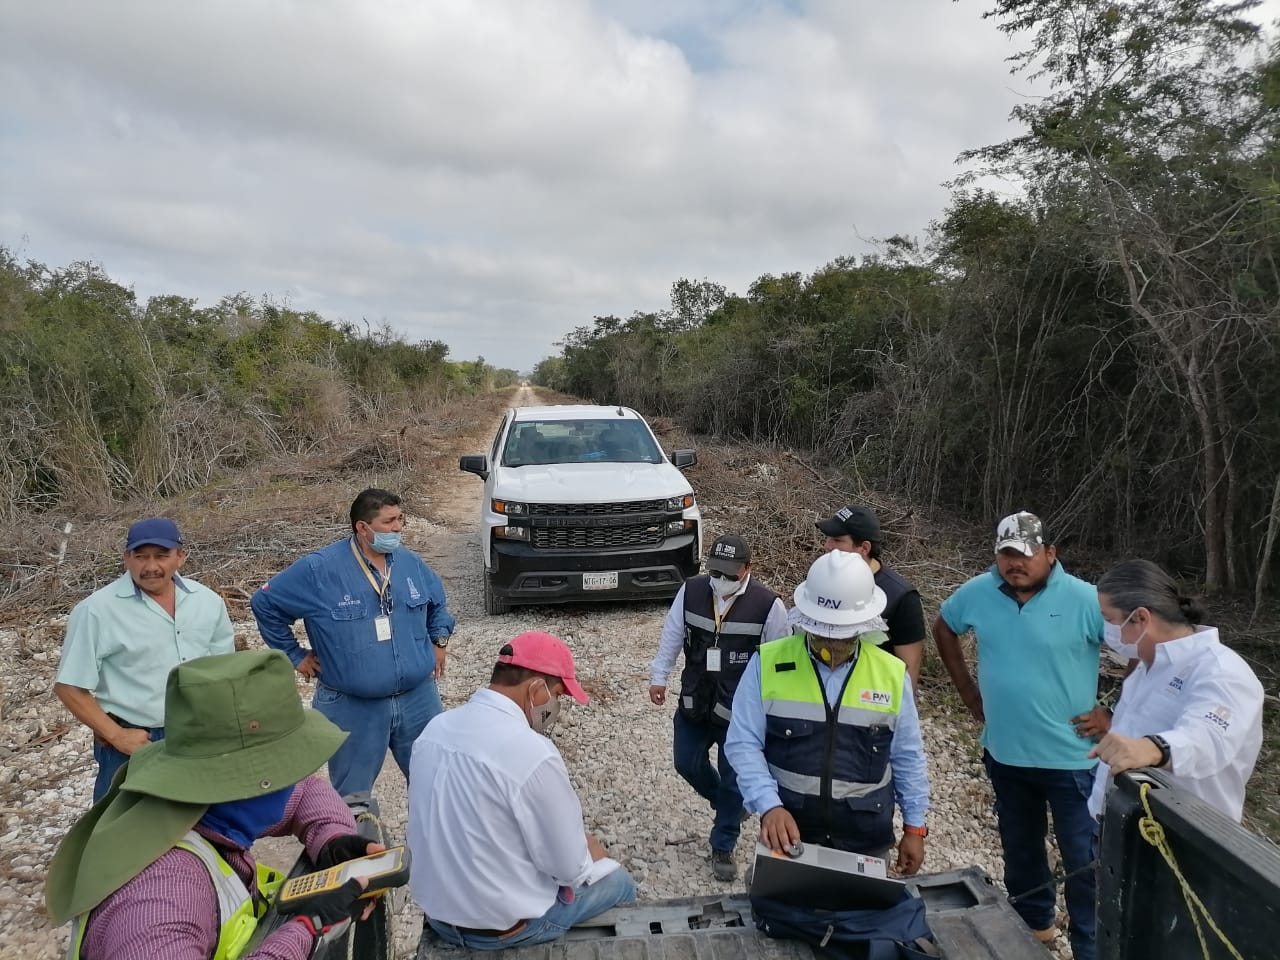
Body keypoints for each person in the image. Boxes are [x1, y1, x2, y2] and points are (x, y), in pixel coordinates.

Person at [45, 649, 385, 960]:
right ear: (248, 782)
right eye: (287, 766)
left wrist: (333, 840)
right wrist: (307, 929)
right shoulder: (162, 896)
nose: (299, 775)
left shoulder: (200, 806)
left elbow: (306, 794)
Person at [932, 511, 1101, 960]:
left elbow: (1143, 646)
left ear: (1049, 554)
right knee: (1021, 850)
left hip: (1073, 760)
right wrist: (968, 691)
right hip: (1007, 754)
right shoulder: (979, 592)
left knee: (1085, 864)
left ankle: (1092, 947)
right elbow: (945, 626)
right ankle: (1034, 932)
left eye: (1025, 555)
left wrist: (1114, 711)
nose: (1015, 564)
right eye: (1006, 554)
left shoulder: (1086, 600)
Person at [408, 632, 636, 950]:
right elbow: (568, 868)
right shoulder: (533, 753)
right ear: (536, 689)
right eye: (557, 695)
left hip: (439, 917)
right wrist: (590, 855)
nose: (556, 707)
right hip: (504, 929)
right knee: (620, 883)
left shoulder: (435, 730)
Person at [725, 551, 930, 874]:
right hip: (790, 831)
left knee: (864, 920)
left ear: (863, 625)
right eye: (824, 631)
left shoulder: (891, 674)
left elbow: (907, 755)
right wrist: (769, 806)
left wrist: (915, 828)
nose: (833, 642)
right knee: (782, 919)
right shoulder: (767, 663)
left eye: (843, 633)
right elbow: (743, 742)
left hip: (867, 836)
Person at [250, 487, 455, 797]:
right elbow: (264, 605)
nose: (398, 528)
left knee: (436, 788)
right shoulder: (319, 570)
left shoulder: (410, 563)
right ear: (362, 527)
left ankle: (431, 846)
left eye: (400, 519)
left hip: (418, 699)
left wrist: (438, 641)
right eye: (388, 522)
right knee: (353, 798)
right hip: (352, 706)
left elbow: (437, 603)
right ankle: (362, 845)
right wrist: (294, 655)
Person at [53, 517, 235, 802]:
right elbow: (69, 686)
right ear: (127, 558)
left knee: (202, 826)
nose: (151, 567)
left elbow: (224, 672)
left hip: (198, 736)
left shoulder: (207, 602)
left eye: (161, 556)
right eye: (141, 557)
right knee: (124, 835)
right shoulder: (96, 611)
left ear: (181, 557)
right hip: (133, 744)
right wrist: (116, 736)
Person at [648, 534, 791, 881]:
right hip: (694, 702)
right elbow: (671, 634)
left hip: (739, 714)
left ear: (747, 569)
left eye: (730, 574)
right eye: (716, 572)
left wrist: (776, 711)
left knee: (734, 780)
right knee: (685, 762)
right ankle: (729, 807)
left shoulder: (768, 606)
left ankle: (723, 842)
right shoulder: (692, 591)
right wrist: (659, 675)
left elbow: (780, 663)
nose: (722, 581)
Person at [1087, 560, 1264, 822]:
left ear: (1141, 618)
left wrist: (1152, 748)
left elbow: (1209, 737)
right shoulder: (1147, 665)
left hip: (1181, 838)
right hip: (1119, 823)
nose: (1107, 630)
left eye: (1109, 619)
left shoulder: (1221, 671)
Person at [817, 505, 926, 686]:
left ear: (864, 548)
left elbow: (908, 669)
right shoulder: (820, 580)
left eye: (837, 540)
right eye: (828, 538)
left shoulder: (901, 597)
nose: (827, 546)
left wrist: (902, 712)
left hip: (871, 702)